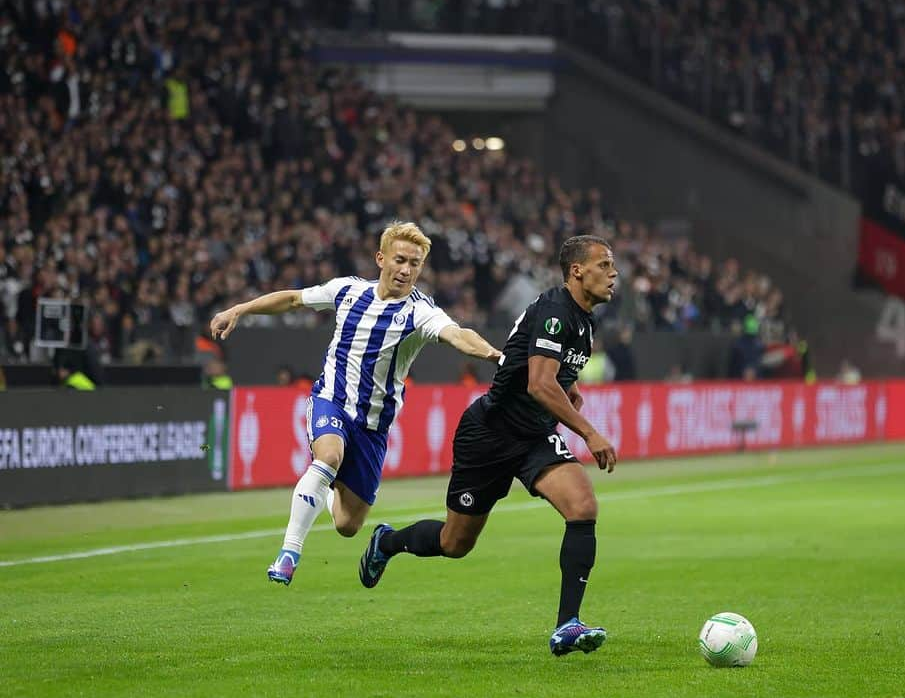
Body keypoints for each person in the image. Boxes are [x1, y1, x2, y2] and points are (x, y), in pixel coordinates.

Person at [358, 235, 620, 657]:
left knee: (583, 506)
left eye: (613, 267)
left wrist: (567, 393)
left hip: (532, 436)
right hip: (489, 435)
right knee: (455, 543)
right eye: (604, 265)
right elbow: (538, 383)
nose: (613, 274)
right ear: (577, 271)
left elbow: (548, 378)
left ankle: (567, 625)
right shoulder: (556, 312)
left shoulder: (583, 320)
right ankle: (387, 542)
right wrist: (589, 432)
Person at [210, 222, 501, 585]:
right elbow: (293, 299)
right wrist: (240, 309)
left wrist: (494, 355)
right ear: (381, 258)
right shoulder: (347, 291)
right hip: (330, 400)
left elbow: (458, 335)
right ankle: (289, 552)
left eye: (415, 264)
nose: (406, 270)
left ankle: (328, 486)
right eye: (400, 260)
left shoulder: (420, 312)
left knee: (348, 525)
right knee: (328, 455)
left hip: (372, 427)